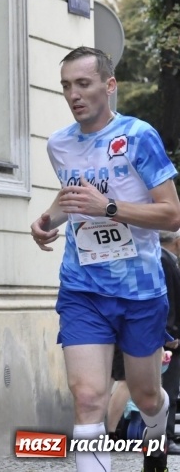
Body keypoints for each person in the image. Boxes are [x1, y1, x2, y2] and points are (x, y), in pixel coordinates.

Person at [30, 46, 180, 472]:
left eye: (83, 84)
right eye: (66, 86)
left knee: (146, 394)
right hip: (83, 287)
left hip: (140, 290)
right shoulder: (59, 144)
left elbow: (172, 214)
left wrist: (109, 208)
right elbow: (73, 199)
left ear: (108, 86)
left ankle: (155, 434)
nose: (73, 95)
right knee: (89, 398)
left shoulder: (137, 136)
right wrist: (47, 219)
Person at [159, 230, 180, 453]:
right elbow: (168, 303)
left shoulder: (167, 260)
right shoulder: (164, 261)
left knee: (169, 389)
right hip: (170, 338)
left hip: (170, 335)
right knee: (168, 389)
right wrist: (170, 334)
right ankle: (166, 438)